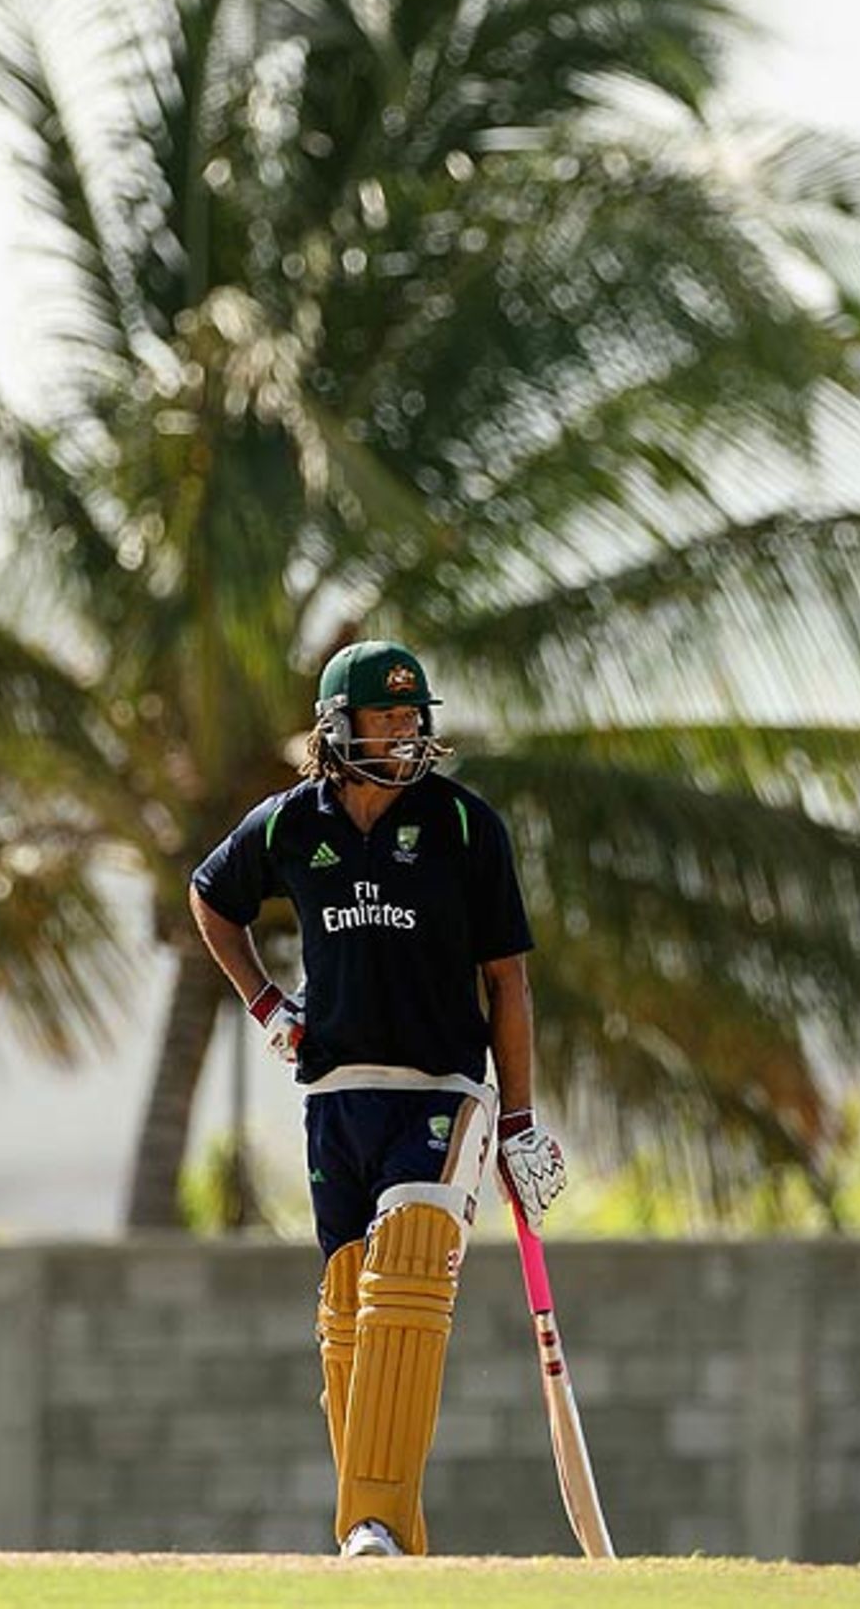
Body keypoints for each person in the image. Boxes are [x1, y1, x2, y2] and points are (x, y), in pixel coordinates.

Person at [188, 638, 566, 1558]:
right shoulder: (289, 825)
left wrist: (515, 1120)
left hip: (442, 1089)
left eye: (414, 716)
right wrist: (269, 1003)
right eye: (389, 717)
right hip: (335, 1095)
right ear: (338, 726)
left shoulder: (464, 826)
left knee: (406, 1270)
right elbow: (211, 896)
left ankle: (373, 1526)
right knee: (352, 1312)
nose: (407, 732)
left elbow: (507, 983)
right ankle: (392, 1542)